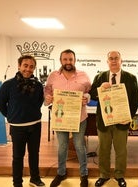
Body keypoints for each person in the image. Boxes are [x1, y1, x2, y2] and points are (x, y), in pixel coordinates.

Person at [89, 51, 138, 187]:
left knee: (121, 150)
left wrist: (128, 117)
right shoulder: (99, 77)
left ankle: (119, 175)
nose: (114, 61)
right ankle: (103, 175)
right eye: (111, 58)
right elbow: (92, 95)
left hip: (122, 121)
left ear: (121, 60)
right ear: (107, 61)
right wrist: (100, 89)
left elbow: (135, 100)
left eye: (116, 58)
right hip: (104, 121)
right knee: (104, 149)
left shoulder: (131, 78)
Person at [44, 49, 91, 187]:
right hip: (61, 118)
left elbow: (89, 93)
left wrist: (86, 98)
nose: (68, 62)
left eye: (70, 59)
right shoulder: (53, 76)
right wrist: (47, 98)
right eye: (65, 59)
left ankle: (84, 174)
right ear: (61, 61)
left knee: (79, 146)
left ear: (74, 60)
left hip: (79, 117)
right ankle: (61, 172)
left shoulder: (83, 75)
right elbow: (47, 92)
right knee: (62, 146)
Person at [0, 55, 45, 187]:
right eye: (25, 65)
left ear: (34, 68)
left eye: (31, 66)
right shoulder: (8, 85)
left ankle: (35, 179)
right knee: (18, 156)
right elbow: (0, 104)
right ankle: (17, 182)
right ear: (19, 66)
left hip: (35, 125)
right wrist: (12, 117)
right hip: (17, 127)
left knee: (34, 154)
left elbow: (39, 102)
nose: (28, 69)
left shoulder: (38, 85)